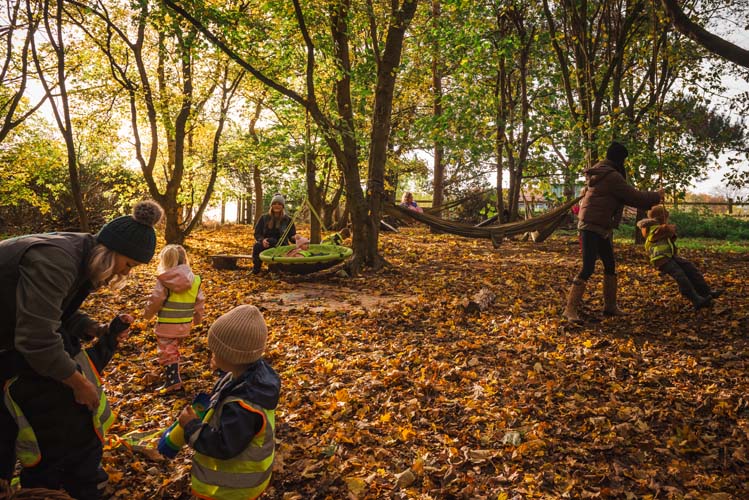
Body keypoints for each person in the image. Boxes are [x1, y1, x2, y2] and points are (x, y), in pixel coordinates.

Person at [0, 200, 163, 499]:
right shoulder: (56, 261)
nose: (124, 274)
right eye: (128, 265)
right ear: (111, 251)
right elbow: (36, 337)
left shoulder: (83, 256)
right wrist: (79, 383)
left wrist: (93, 328)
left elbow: (54, 311)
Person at [174, 304, 280, 500]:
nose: (212, 355)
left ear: (231, 357)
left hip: (232, 489)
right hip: (241, 483)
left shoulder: (242, 407)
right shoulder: (253, 376)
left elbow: (223, 445)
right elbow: (235, 377)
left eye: (215, 352)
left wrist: (191, 427)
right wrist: (223, 367)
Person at [563, 142, 663, 322]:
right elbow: (633, 196)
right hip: (591, 226)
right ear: (619, 159)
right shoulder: (611, 176)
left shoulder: (602, 171)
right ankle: (570, 310)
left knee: (610, 265)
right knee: (588, 267)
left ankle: (610, 307)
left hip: (600, 225)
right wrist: (656, 195)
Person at [144, 244, 205, 395]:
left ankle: (173, 382)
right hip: (184, 325)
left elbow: (156, 300)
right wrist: (197, 320)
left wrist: (147, 315)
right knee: (173, 350)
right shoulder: (195, 280)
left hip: (167, 325)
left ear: (166, 262)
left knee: (167, 352)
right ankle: (172, 376)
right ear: (184, 260)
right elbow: (200, 302)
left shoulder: (165, 281)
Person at [636, 205, 722, 309]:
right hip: (661, 259)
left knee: (690, 268)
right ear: (661, 217)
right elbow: (655, 235)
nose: (667, 218)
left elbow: (667, 238)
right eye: (666, 215)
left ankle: (705, 292)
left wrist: (669, 233)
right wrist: (664, 229)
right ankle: (695, 299)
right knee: (680, 276)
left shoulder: (660, 226)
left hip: (669, 256)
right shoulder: (650, 227)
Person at [252, 193, 297, 274]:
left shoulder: (288, 220)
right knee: (257, 246)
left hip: (281, 245)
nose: (277, 206)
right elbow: (257, 233)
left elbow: (291, 237)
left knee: (273, 242)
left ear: (282, 206)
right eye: (275, 203)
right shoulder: (264, 218)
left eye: (279, 204)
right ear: (271, 205)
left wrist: (295, 237)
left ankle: (275, 269)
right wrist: (262, 240)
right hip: (266, 243)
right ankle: (256, 269)